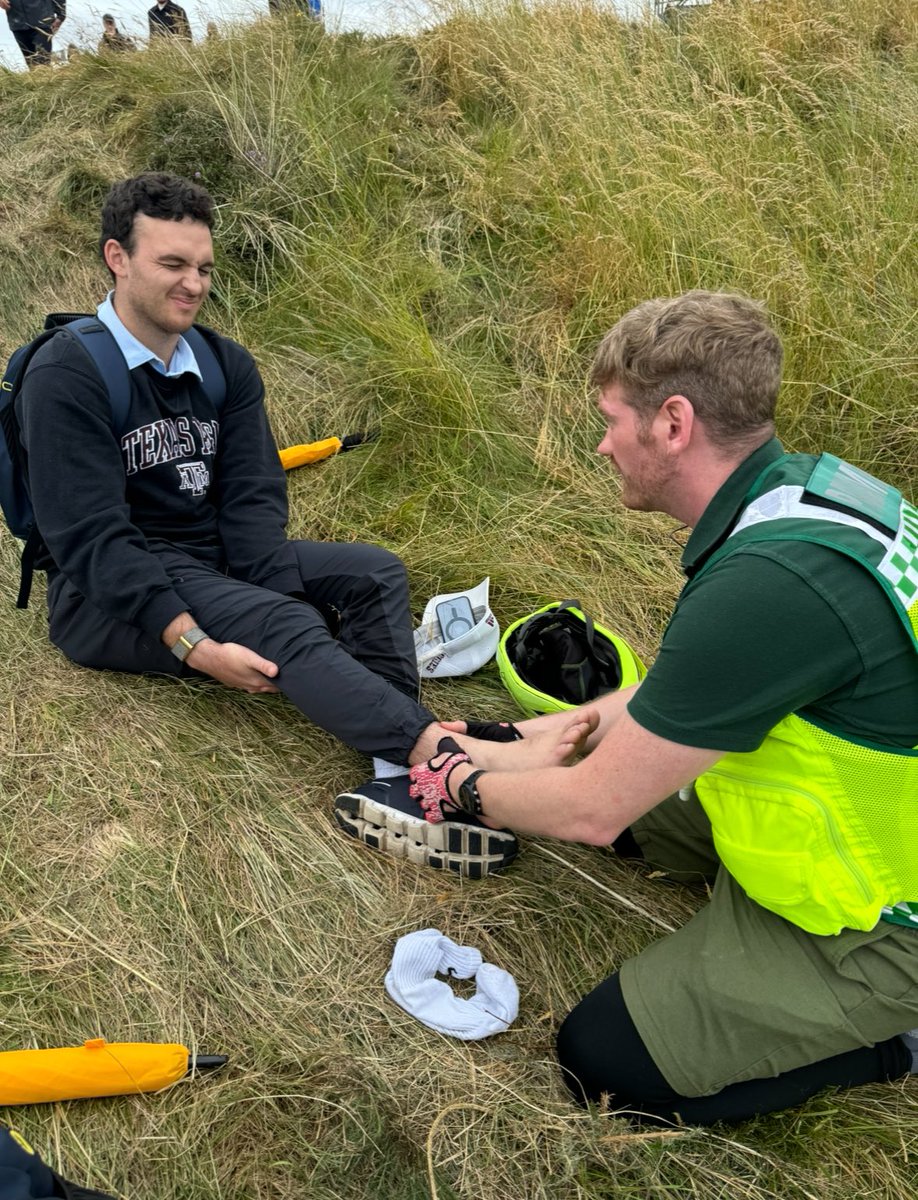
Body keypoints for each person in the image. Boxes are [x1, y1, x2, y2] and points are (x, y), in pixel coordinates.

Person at [396, 290, 918, 1125]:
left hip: (890, 919)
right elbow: (695, 689)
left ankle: (899, 1040)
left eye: (611, 420)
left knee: (602, 1066)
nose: (602, 444)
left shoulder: (769, 588)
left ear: (673, 423)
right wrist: (514, 738)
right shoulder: (800, 499)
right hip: (848, 815)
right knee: (644, 818)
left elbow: (596, 809)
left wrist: (464, 785)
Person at [15, 173, 581, 875]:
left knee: (374, 574)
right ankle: (453, 763)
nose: (194, 284)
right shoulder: (68, 375)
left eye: (203, 268)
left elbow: (253, 495)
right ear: (117, 257)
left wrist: (266, 588)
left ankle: (399, 775)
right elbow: (92, 541)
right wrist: (197, 644)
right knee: (290, 628)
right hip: (107, 597)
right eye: (172, 264)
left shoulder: (223, 365)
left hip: (214, 557)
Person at [0, 0, 64, 68]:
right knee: (31, 65)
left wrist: (61, 16)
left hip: (42, 21)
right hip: (18, 24)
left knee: (43, 63)